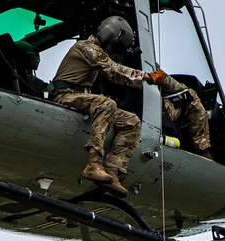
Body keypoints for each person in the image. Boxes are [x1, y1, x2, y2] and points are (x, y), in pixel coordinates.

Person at [49, 16, 166, 198]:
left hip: (80, 97)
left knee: (131, 121)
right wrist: (147, 77)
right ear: (111, 36)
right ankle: (93, 164)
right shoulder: (86, 47)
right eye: (117, 46)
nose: (114, 51)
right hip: (65, 96)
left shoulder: (93, 50)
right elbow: (113, 71)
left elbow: (115, 72)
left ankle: (112, 170)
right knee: (106, 104)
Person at [157, 72, 212, 159]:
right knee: (190, 96)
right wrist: (162, 78)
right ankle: (202, 150)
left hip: (143, 107)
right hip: (153, 110)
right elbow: (156, 78)